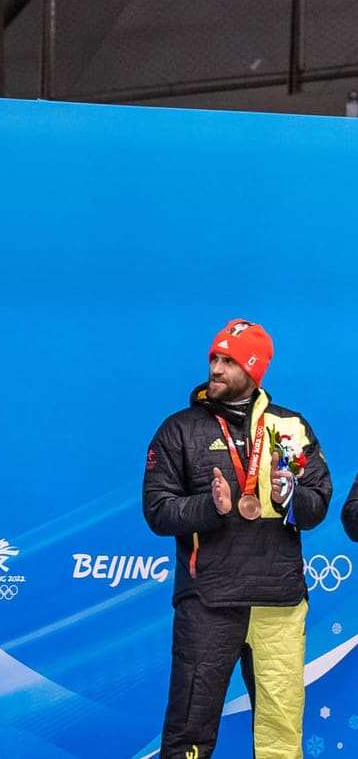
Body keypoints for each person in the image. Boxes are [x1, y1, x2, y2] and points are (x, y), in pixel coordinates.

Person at [143, 319, 331, 759]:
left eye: (229, 360)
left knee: (281, 736)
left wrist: (293, 498)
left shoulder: (290, 428)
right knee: (188, 731)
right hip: (208, 601)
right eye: (215, 357)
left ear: (254, 368)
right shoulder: (180, 430)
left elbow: (320, 502)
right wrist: (213, 508)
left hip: (278, 602)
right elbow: (157, 509)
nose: (217, 367)